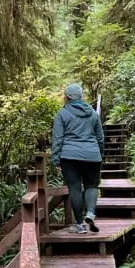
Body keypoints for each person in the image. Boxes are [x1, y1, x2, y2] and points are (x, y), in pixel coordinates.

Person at [51, 83, 104, 233]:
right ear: (81, 97)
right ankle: (91, 213)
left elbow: (58, 139)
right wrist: (100, 154)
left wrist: (56, 159)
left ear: (66, 97)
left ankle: (80, 225)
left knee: (74, 188)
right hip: (92, 155)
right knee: (92, 185)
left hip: (69, 156)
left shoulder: (62, 114)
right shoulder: (93, 113)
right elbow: (100, 138)